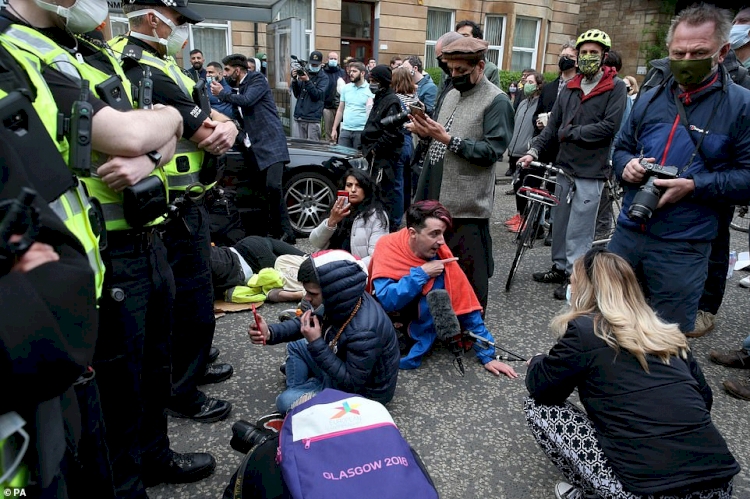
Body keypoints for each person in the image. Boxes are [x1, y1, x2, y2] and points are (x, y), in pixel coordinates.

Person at [2, 0, 218, 493]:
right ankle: (131, 481)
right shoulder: (21, 48)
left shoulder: (80, 48)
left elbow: (152, 132)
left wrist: (151, 152)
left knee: (150, 368)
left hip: (137, 234)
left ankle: (154, 456)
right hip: (91, 257)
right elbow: (128, 130)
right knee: (117, 394)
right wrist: (163, 124)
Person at [117, 0, 239, 447]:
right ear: (153, 17)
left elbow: (214, 116)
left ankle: (193, 365)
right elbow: (208, 131)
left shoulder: (161, 63)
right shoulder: (143, 67)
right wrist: (217, 129)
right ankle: (183, 390)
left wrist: (220, 125)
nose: (182, 31)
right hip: (173, 206)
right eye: (179, 22)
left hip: (185, 201)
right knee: (192, 298)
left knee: (187, 297)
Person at [525, 248, 740, 499]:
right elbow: (705, 400)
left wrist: (538, 362)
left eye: (572, 282)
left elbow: (543, 388)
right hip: (718, 486)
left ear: (585, 291)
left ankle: (591, 493)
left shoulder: (584, 331)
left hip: (644, 492)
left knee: (538, 407)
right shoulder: (668, 333)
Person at [609, 4, 750, 334]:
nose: (686, 61)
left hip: (683, 245)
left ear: (722, 52)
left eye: (697, 53)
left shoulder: (742, 106)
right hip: (629, 231)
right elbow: (622, 148)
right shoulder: (651, 96)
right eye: (678, 53)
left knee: (664, 339)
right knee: (608, 325)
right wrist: (625, 165)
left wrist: (694, 185)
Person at [518, 28, 627, 300]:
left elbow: (609, 128)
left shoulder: (616, 87)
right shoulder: (569, 88)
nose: (588, 57)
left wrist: (573, 133)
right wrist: (533, 151)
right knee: (560, 222)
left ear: (603, 56)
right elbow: (553, 127)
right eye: (584, 52)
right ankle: (560, 267)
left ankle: (576, 280)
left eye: (594, 53)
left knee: (580, 229)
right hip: (564, 167)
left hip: (592, 171)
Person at [411, 36, 514, 311]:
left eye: (461, 71)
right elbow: (440, 136)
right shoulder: (452, 92)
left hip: (466, 206)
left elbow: (493, 151)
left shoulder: (497, 101)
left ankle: (473, 329)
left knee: (469, 274)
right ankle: (438, 324)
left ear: (480, 66)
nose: (454, 75)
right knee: (435, 268)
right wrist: (425, 134)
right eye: (451, 69)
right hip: (435, 192)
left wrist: (448, 140)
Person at [369, 201, 518, 377]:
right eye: (434, 234)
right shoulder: (388, 245)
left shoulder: (440, 253)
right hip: (387, 321)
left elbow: (465, 304)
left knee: (439, 290)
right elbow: (386, 300)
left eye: (443, 233)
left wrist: (488, 356)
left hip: (417, 328)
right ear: (412, 233)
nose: (441, 241)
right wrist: (421, 274)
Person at [249, 250, 400, 414]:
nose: (306, 298)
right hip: (337, 359)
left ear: (333, 293)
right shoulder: (343, 300)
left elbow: (352, 383)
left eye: (312, 293)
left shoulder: (365, 331)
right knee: (295, 346)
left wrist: (316, 343)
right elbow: (307, 321)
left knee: (284, 402)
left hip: (362, 393)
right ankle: (306, 391)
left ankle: (305, 394)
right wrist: (270, 332)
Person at [211, 53, 296, 243]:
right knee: (263, 192)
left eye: (227, 70)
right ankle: (272, 231)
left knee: (274, 187)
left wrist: (222, 94)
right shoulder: (237, 88)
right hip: (255, 148)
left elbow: (248, 100)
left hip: (272, 142)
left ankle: (287, 232)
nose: (224, 74)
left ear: (238, 70)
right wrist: (242, 139)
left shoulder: (256, 79)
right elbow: (238, 117)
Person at [309, 168, 389, 266]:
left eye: (358, 186)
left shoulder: (376, 215)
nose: (353, 190)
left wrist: (349, 269)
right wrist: (331, 221)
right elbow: (315, 242)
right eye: (349, 185)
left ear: (366, 189)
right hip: (327, 262)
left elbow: (375, 256)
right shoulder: (337, 209)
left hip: (352, 270)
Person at [361, 64, 405, 230]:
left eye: (374, 81)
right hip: (374, 154)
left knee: (386, 192)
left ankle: (389, 225)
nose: (371, 84)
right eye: (370, 80)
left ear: (383, 82)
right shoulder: (380, 98)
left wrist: (375, 148)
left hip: (384, 157)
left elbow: (391, 132)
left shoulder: (391, 101)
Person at [504, 72, 544, 233]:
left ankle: (531, 221)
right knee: (518, 185)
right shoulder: (522, 102)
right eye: (525, 81)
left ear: (538, 85)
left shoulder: (540, 103)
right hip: (515, 149)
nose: (526, 84)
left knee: (527, 187)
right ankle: (520, 215)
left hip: (527, 151)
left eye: (530, 81)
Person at [210, 236, 305, 300]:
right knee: (309, 261)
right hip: (247, 245)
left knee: (305, 274)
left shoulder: (205, 268)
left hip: (254, 261)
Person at [391, 66, 422, 213]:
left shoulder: (396, 99)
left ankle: (396, 216)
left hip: (401, 138)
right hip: (411, 140)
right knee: (407, 179)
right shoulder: (415, 97)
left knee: (397, 181)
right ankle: (406, 209)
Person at [331, 61, 373, 149]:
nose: (351, 74)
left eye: (354, 71)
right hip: (345, 130)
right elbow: (340, 109)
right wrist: (334, 128)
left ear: (362, 73)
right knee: (341, 158)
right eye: (350, 71)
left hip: (361, 131)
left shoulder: (370, 90)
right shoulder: (346, 88)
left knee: (358, 159)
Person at [291, 50, 328, 141]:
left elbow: (317, 95)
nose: (313, 66)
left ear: (320, 64)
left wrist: (307, 81)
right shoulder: (305, 72)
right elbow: (297, 94)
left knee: (313, 147)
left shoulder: (324, 78)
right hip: (299, 116)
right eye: (312, 64)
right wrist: (295, 80)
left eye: (316, 65)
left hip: (313, 118)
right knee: (298, 146)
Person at [455, 20, 500, 86]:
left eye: (465, 36)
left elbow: (495, 94)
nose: (460, 40)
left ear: (477, 40)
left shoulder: (491, 69)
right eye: (457, 36)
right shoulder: (450, 65)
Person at [322, 51, 346, 140]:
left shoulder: (342, 72)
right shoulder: (323, 72)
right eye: (331, 58)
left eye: (335, 59)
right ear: (327, 59)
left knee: (340, 132)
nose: (333, 60)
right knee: (329, 132)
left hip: (340, 106)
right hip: (327, 106)